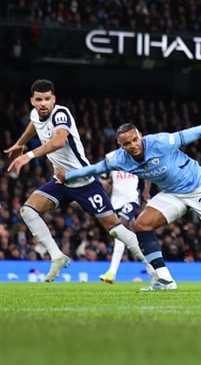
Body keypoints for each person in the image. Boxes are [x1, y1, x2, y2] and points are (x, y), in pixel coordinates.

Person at [55, 120, 201, 291]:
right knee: (141, 225)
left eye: (134, 140)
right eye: (126, 144)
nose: (132, 146)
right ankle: (165, 280)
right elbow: (93, 170)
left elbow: (200, 130)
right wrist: (68, 176)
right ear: (120, 145)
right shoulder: (119, 159)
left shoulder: (161, 142)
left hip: (200, 187)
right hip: (173, 193)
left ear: (139, 135)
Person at [4, 79, 155, 282]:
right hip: (61, 181)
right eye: (38, 99)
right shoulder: (35, 114)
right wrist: (19, 143)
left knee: (116, 229)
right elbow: (34, 124)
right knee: (28, 210)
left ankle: (154, 270)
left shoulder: (61, 114)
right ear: (32, 101)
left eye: (47, 99)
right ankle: (57, 257)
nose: (43, 103)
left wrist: (28, 155)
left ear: (54, 99)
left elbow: (58, 141)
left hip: (83, 180)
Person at [98, 163, 151, 284]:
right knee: (132, 238)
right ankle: (152, 267)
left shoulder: (135, 159)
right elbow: (104, 180)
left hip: (132, 200)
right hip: (116, 203)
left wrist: (146, 192)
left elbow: (148, 173)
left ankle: (111, 272)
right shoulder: (112, 160)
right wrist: (105, 184)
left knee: (119, 230)